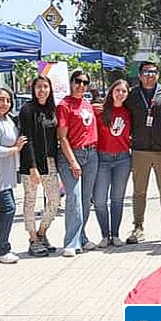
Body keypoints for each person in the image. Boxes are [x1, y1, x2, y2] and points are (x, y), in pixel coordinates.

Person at [124, 62, 161, 245]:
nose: (149, 75)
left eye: (153, 72)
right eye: (145, 72)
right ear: (139, 75)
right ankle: (138, 227)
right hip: (140, 149)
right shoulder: (132, 94)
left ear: (158, 75)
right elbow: (117, 109)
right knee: (139, 191)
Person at [56, 69, 99, 257]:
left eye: (85, 82)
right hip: (71, 155)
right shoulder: (64, 105)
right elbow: (62, 137)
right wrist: (73, 162)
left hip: (91, 155)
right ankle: (71, 242)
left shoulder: (87, 104)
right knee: (73, 198)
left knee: (85, 198)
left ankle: (81, 236)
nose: (81, 85)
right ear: (71, 82)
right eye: (78, 81)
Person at [19, 75, 60, 257]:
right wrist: (32, 167)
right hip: (32, 163)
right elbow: (27, 140)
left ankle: (42, 233)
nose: (42, 90)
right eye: (38, 87)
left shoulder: (53, 110)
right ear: (33, 90)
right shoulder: (27, 110)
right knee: (30, 201)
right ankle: (32, 239)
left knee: (54, 200)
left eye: (45, 87)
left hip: (50, 162)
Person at [0, 88, 26, 264]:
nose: (5, 104)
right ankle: (2, 248)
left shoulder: (8, 120)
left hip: (7, 175)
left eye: (8, 100)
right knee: (7, 209)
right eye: (1, 100)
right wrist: (14, 149)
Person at [93, 79, 132, 247]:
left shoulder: (128, 112)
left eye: (124, 91)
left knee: (117, 199)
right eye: (118, 90)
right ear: (111, 91)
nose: (120, 94)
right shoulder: (100, 110)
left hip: (123, 159)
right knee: (100, 200)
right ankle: (104, 234)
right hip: (103, 159)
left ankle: (115, 234)